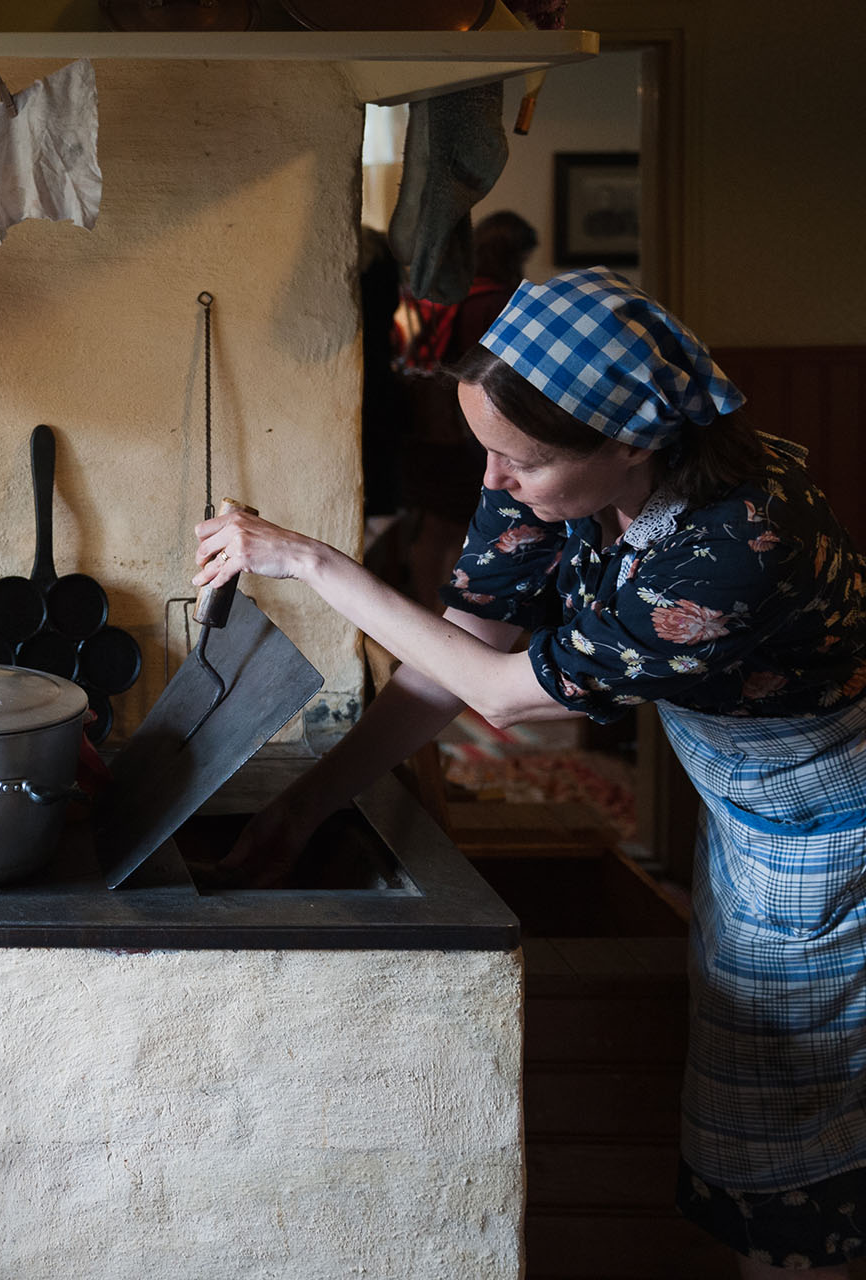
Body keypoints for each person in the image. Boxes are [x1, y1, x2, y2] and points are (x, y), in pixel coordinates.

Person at [194, 268, 866, 1278]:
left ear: (633, 438)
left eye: (524, 461)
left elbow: (504, 693)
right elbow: (460, 651)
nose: (498, 480)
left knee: (799, 1146)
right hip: (748, 812)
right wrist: (306, 802)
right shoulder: (549, 470)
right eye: (486, 452)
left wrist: (317, 564)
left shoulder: (736, 546)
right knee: (759, 1106)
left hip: (831, 831)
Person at [395, 211, 540, 609]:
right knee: (462, 523)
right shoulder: (497, 302)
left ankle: (428, 608)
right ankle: (442, 614)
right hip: (472, 429)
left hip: (430, 425)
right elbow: (504, 379)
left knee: (433, 523)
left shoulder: (451, 296)